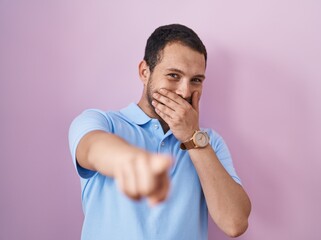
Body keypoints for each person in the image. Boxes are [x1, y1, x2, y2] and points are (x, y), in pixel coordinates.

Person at [68, 23, 251, 240]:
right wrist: (132, 162)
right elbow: (92, 149)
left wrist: (192, 137)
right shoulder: (101, 122)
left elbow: (234, 223)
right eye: (174, 75)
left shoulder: (209, 142)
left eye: (196, 80)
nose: (184, 91)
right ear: (145, 72)